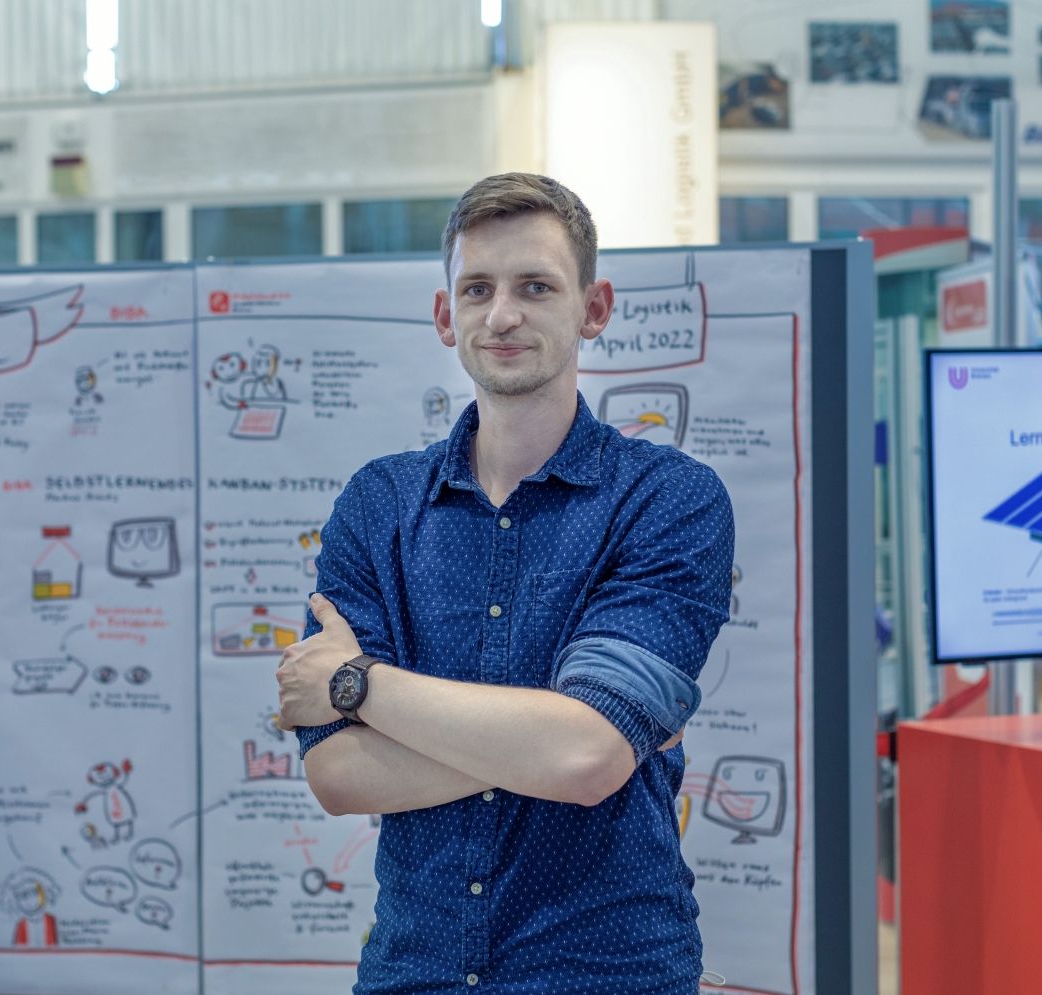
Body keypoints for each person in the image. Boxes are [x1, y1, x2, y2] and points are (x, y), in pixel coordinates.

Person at [276, 173, 734, 993]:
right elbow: (336, 774)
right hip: (414, 971)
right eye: (478, 289)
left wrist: (358, 684)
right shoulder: (378, 506)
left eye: (536, 286)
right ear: (445, 315)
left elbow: (585, 757)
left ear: (594, 307)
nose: (502, 315)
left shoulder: (667, 500)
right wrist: (563, 738)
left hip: (607, 972)